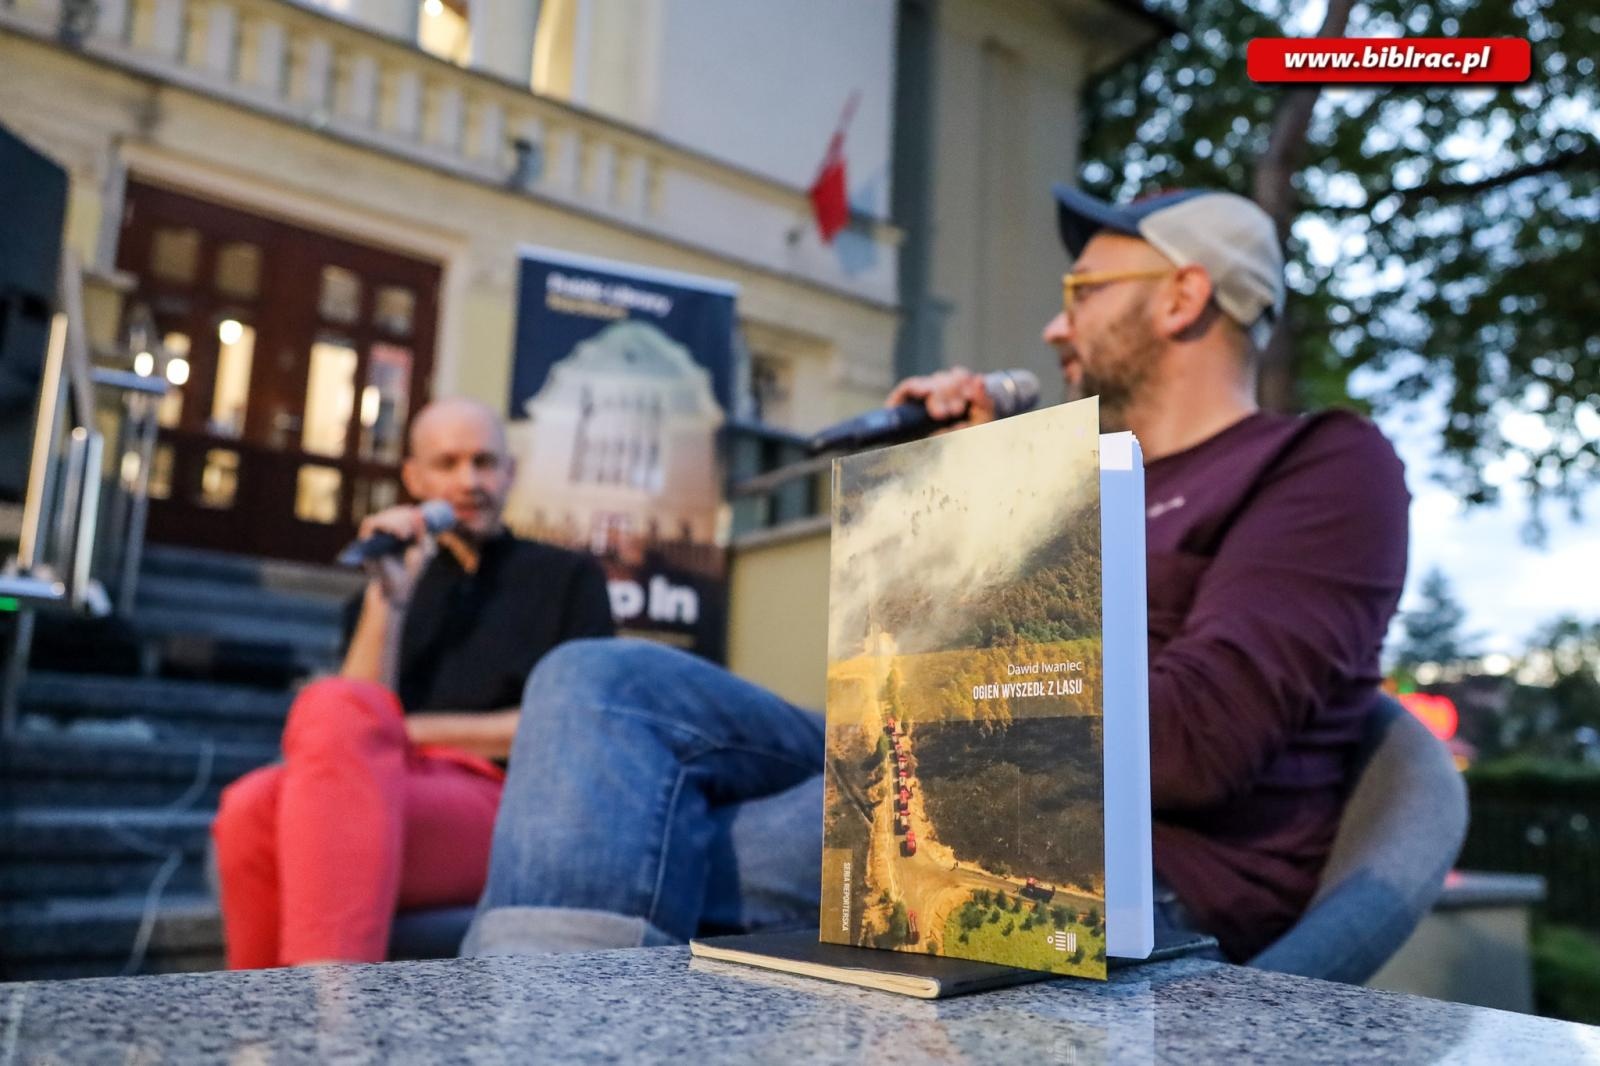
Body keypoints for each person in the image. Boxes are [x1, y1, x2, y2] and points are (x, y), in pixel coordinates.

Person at [464, 187, 1410, 963]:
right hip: (952, 761)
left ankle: (534, 1031)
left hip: (1128, 854)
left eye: (1082, 290)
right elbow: (906, 683)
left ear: (1181, 297)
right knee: (598, 679)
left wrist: (1010, 513)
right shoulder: (1077, 476)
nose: (1055, 326)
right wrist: (973, 488)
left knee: (648, 840)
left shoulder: (1324, 466)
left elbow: (1192, 745)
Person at [211, 397, 615, 968]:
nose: (469, 481)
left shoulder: (567, 577)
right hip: (385, 782)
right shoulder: (387, 589)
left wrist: (402, 731)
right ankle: (262, 1013)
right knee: (248, 806)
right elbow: (351, 719)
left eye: (485, 462)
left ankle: (327, 1011)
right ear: (414, 478)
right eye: (447, 464)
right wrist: (390, 597)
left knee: (309, 768)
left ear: (510, 472)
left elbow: (569, 727)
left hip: (506, 798)